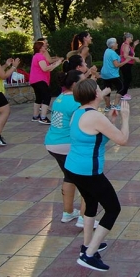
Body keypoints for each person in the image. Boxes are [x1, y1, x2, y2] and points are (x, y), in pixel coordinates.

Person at [65, 79, 130, 272]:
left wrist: (111, 121)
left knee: (91, 204)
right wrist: (125, 118)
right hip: (88, 172)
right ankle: (89, 254)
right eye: (99, 89)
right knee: (113, 209)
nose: (102, 90)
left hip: (73, 168)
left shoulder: (78, 112)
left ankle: (86, 245)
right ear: (95, 95)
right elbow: (122, 140)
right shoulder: (94, 116)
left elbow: (94, 138)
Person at [45, 70, 98, 228]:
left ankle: (68, 213)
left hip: (53, 144)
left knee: (69, 177)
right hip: (67, 146)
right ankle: (84, 218)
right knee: (86, 181)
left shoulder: (61, 98)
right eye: (83, 81)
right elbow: (83, 124)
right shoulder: (76, 103)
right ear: (75, 85)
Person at [29, 40, 63, 124]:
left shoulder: (36, 56)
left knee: (39, 98)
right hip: (40, 80)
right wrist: (57, 63)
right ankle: (43, 117)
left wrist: (55, 64)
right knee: (47, 97)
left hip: (34, 80)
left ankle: (35, 116)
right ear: (40, 48)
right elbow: (45, 68)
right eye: (44, 46)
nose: (46, 47)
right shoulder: (40, 56)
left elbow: (49, 68)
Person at [100, 38, 132, 111]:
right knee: (121, 88)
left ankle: (108, 107)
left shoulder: (107, 51)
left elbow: (113, 58)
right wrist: (126, 61)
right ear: (112, 45)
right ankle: (116, 105)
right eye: (116, 43)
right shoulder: (112, 53)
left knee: (107, 89)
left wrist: (120, 56)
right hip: (112, 74)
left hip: (105, 74)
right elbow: (116, 65)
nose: (117, 44)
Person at [119, 32, 140, 100]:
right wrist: (135, 58)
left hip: (127, 64)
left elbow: (131, 53)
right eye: (131, 37)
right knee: (127, 79)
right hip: (126, 64)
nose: (132, 39)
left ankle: (124, 93)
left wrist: (134, 45)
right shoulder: (126, 45)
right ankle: (123, 94)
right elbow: (125, 56)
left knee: (127, 79)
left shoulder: (127, 45)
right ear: (127, 38)